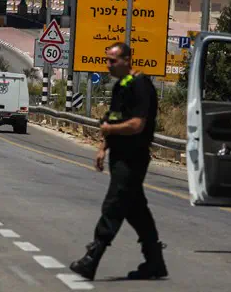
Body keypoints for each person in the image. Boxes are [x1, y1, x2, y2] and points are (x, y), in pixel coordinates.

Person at [69, 42, 168, 281]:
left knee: (113, 204)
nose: (108, 65)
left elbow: (137, 125)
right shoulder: (120, 87)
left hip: (133, 158)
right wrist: (102, 147)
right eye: (108, 60)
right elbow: (110, 119)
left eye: (113, 61)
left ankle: (92, 257)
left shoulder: (141, 86)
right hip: (119, 156)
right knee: (136, 210)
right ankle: (154, 261)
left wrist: (110, 130)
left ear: (127, 60)